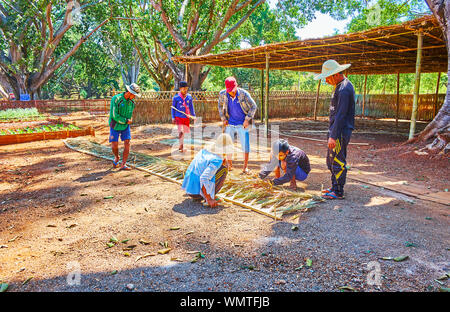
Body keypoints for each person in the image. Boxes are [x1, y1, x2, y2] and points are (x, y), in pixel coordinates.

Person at [314, 60, 355, 199]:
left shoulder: (344, 89)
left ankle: (338, 191)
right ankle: (334, 186)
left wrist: (334, 135)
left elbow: (341, 115)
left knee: (337, 160)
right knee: (330, 160)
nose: (326, 79)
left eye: (327, 76)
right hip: (335, 130)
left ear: (336, 74)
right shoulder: (339, 86)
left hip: (339, 132)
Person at [181, 133, 234, 208]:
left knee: (221, 166)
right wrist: (209, 199)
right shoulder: (217, 160)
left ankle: (207, 194)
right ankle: (208, 195)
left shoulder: (205, 151)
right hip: (196, 194)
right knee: (224, 168)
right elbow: (204, 178)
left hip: (189, 189)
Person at [218, 76, 257, 174]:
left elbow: (254, 106)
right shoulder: (223, 94)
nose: (231, 92)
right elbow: (219, 106)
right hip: (230, 123)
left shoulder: (244, 94)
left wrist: (247, 119)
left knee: (245, 145)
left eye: (233, 90)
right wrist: (223, 119)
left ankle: (245, 167)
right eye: (229, 90)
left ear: (237, 86)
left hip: (243, 124)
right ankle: (229, 165)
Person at [109, 83, 141, 170]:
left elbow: (130, 114)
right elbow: (114, 115)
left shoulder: (132, 102)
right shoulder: (116, 99)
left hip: (125, 126)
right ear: (130, 93)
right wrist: (126, 121)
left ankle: (123, 164)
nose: (135, 97)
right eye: (134, 95)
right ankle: (117, 157)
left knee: (127, 142)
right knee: (114, 145)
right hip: (115, 125)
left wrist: (129, 120)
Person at [172, 81, 196, 152]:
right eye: (183, 88)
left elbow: (191, 107)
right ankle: (181, 146)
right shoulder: (176, 98)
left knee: (184, 132)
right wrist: (173, 117)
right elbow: (173, 108)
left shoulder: (189, 97)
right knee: (181, 131)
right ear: (180, 89)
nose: (185, 90)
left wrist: (194, 115)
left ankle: (181, 144)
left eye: (186, 88)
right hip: (178, 117)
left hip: (186, 117)